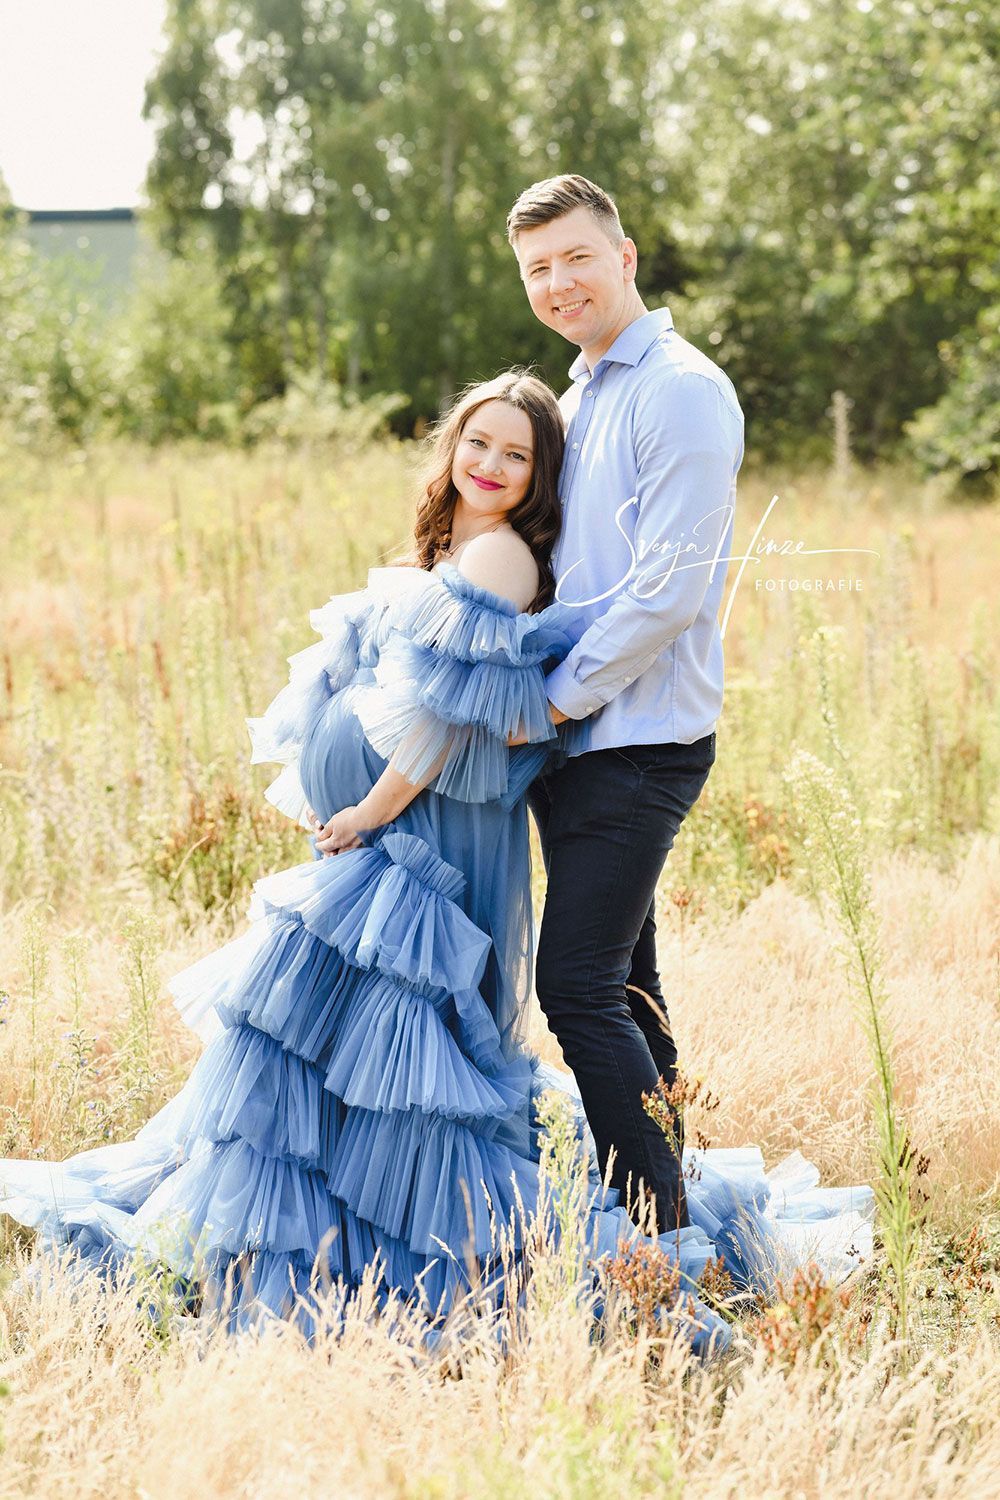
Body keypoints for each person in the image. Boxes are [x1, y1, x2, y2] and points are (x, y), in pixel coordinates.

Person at [0, 368, 871, 1353]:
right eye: (479, 443)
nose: (493, 465)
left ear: (540, 477)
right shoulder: (451, 545)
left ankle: (433, 1265)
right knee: (336, 1051)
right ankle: (330, 1243)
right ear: (450, 446)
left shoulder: (500, 559)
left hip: (425, 847)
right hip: (398, 841)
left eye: (518, 454)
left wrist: (367, 811)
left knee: (403, 1062)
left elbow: (448, 718)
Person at [506, 174, 743, 1236]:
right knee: (627, 981)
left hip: (635, 739)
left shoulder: (677, 389)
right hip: (582, 738)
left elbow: (668, 590)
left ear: (626, 256)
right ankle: (664, 1191)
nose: (558, 283)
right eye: (536, 269)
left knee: (576, 988)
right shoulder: (580, 394)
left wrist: (551, 706)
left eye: (575, 259)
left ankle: (659, 1234)